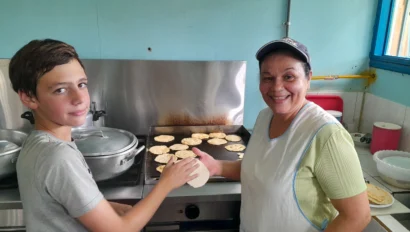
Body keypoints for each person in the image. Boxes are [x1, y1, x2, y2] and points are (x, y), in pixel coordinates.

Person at [9, 39, 198, 232]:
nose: (79, 98)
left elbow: (60, 202)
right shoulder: (58, 156)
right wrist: (166, 183)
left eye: (81, 84)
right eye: (61, 90)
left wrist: (106, 208)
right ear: (29, 97)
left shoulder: (34, 143)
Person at [193, 37, 371, 232]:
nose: (277, 87)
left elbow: (357, 217)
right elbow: (261, 168)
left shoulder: (326, 134)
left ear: (308, 78)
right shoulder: (265, 117)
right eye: (267, 77)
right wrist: (217, 166)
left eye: (289, 77)